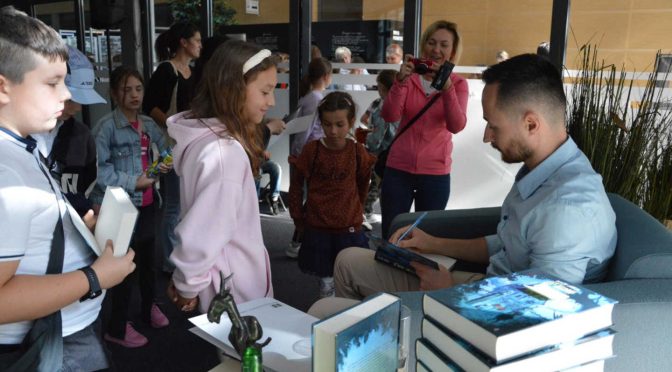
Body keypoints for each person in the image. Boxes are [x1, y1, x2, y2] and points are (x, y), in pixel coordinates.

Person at [331, 53, 617, 301]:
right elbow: (507, 245)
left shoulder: (567, 209)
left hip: (489, 308)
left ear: (531, 124)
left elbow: (535, 315)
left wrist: (446, 292)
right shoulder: (542, 170)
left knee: (325, 308)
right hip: (489, 287)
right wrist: (432, 243)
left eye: (493, 126)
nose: (486, 136)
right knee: (346, 261)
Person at [0, 6, 134, 370]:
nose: (65, 96)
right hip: (45, 342)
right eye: (52, 83)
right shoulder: (7, 171)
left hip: (60, 330)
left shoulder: (20, 149)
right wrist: (95, 277)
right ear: (3, 87)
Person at [166, 40, 275, 314]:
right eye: (265, 91)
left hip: (225, 285)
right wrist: (186, 286)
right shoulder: (224, 154)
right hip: (235, 295)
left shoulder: (206, 139)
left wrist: (186, 283)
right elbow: (202, 235)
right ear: (234, 89)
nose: (270, 102)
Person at [91, 66, 172, 348]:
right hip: (121, 207)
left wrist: (156, 173)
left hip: (149, 205)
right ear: (115, 94)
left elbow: (169, 153)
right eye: (127, 90)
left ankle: (149, 307)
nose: (135, 95)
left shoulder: (149, 124)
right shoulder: (105, 128)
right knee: (123, 270)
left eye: (138, 89)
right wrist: (134, 182)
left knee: (148, 264)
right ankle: (117, 326)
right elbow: (99, 171)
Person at [378, 20, 468, 239]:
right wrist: (400, 82)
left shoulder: (458, 84)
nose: (436, 50)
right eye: (431, 42)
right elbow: (390, 115)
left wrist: (446, 88)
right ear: (423, 45)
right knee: (392, 232)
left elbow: (456, 125)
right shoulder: (409, 79)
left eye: (444, 45)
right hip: (398, 169)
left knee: (427, 237)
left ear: (453, 50)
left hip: (435, 173)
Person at [288, 92, 376, 298]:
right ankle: (327, 297)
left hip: (348, 225)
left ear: (351, 122)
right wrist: (297, 215)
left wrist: (359, 208)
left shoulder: (357, 152)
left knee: (351, 273)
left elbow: (364, 182)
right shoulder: (313, 150)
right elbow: (296, 184)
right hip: (319, 225)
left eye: (339, 124)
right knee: (325, 276)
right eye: (327, 124)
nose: (333, 131)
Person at [143, 22, 202, 274]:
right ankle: (169, 260)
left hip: (192, 144)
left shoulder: (194, 72)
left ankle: (180, 254)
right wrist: (173, 125)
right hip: (171, 146)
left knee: (187, 204)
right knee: (174, 204)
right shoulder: (167, 71)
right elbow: (150, 105)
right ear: (183, 42)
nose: (199, 45)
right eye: (196, 40)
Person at [33, 45, 106, 217]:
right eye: (72, 99)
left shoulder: (82, 136)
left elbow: (88, 183)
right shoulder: (17, 135)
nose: (78, 108)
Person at [286, 57, 333, 258]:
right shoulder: (316, 99)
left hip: (310, 154)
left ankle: (300, 241)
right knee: (314, 200)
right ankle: (298, 241)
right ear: (325, 76)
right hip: (313, 155)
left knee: (313, 199)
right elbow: (305, 132)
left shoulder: (308, 97)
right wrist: (299, 154)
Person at [360, 70, 400, 224]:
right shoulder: (395, 105)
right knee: (378, 185)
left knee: (376, 184)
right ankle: (365, 212)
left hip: (379, 152)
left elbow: (376, 137)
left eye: (379, 87)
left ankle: (365, 212)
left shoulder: (380, 105)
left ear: (383, 88)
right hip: (388, 152)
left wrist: (368, 140)